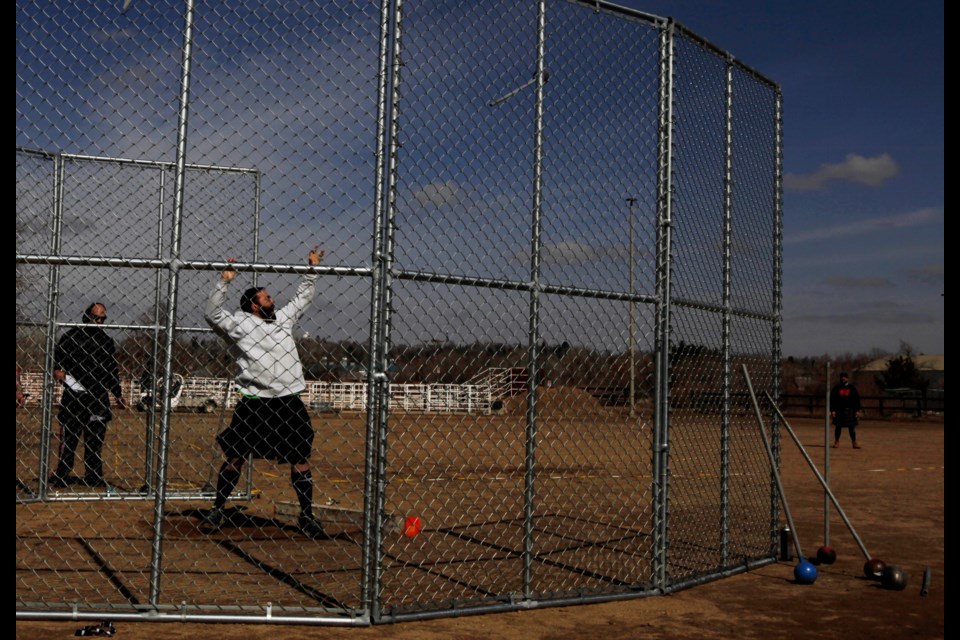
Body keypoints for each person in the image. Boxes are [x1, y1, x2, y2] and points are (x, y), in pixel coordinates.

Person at [200, 245, 328, 538]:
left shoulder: (282, 320)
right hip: (254, 402)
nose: (273, 299)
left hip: (288, 402)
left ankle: (306, 516)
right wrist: (225, 281)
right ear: (254, 305)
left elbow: (303, 298)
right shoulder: (239, 324)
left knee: (300, 458)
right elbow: (211, 313)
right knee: (235, 456)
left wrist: (312, 268)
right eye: (267, 297)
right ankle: (219, 508)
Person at [49, 303, 127, 488]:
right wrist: (58, 370)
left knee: (94, 441)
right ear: (87, 317)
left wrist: (118, 393)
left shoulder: (106, 342)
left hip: (97, 397)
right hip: (74, 396)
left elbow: (111, 371)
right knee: (70, 440)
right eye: (96, 317)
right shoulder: (72, 337)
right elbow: (57, 360)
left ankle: (93, 476)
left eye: (102, 318)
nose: (99, 321)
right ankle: (62, 474)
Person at [830, 371, 862, 449]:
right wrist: (832, 410)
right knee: (838, 427)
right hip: (839, 410)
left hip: (850, 410)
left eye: (844, 377)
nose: (843, 378)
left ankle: (854, 442)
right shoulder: (836, 388)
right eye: (842, 377)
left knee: (852, 427)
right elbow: (832, 400)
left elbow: (856, 399)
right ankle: (836, 442)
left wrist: (857, 410)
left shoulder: (852, 388)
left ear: (847, 378)